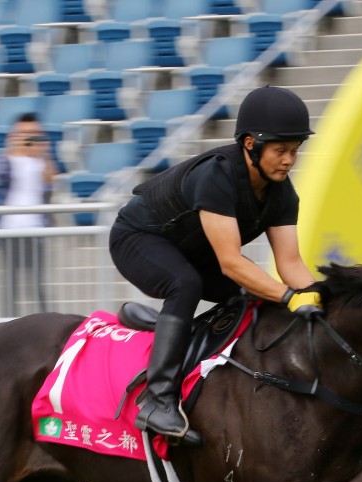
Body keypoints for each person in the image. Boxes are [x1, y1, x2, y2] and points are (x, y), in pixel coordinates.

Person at [109, 85, 322, 447]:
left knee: (254, 296)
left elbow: (291, 263)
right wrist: (289, 297)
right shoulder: (217, 176)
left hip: (193, 250)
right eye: (281, 150)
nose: (289, 160)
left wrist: (318, 299)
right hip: (138, 237)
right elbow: (230, 262)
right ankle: (158, 400)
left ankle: (166, 330)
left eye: (295, 150)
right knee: (185, 284)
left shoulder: (283, 193)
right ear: (251, 144)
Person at [0, 112, 56, 315]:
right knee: (11, 283)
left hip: (35, 229)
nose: (29, 139)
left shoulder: (41, 162)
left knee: (36, 283)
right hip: (10, 229)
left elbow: (51, 182)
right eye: (24, 134)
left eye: (34, 134)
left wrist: (43, 152)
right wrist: (14, 149)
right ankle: (8, 324)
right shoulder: (8, 161)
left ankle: (45, 323)